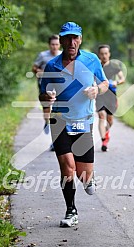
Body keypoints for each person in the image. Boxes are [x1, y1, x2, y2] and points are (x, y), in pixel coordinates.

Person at [39, 22, 109, 227]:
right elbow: (42, 94)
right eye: (67, 38)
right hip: (59, 121)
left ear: (80, 40)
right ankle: (71, 210)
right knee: (67, 167)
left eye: (75, 38)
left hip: (83, 121)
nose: (71, 42)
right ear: (61, 40)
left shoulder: (91, 60)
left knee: (83, 176)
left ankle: (89, 178)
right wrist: (47, 97)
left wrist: (97, 89)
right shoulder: (52, 65)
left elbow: (104, 83)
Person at [96, 44, 125, 152]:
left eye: (106, 53)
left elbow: (122, 78)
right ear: (99, 54)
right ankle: (104, 140)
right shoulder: (96, 66)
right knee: (101, 115)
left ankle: (106, 133)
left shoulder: (114, 66)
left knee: (110, 120)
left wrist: (117, 82)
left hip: (111, 96)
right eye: (102, 54)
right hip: (100, 95)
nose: (104, 56)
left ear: (109, 54)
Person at [32, 35, 62, 137]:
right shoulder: (43, 55)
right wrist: (41, 72)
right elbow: (34, 68)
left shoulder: (62, 55)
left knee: (57, 109)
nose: (54, 47)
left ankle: (55, 135)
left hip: (58, 86)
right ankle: (47, 121)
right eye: (52, 44)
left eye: (57, 44)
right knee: (47, 108)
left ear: (60, 45)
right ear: (49, 45)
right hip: (44, 85)